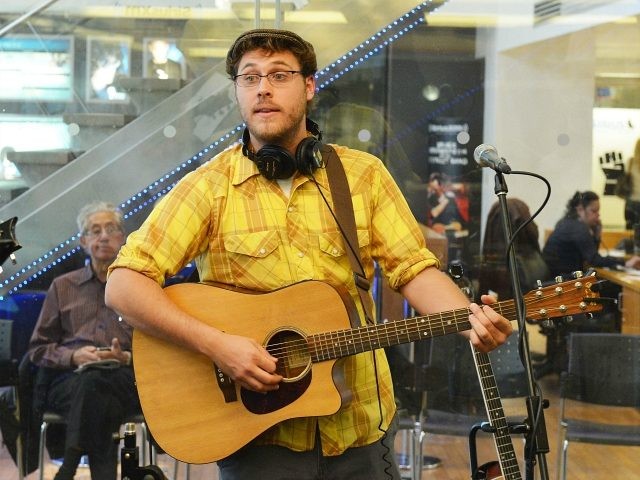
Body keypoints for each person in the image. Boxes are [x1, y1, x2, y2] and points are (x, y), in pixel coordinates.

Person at [104, 29, 512, 480]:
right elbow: (124, 284)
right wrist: (217, 346)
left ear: (310, 86)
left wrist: (467, 319)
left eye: (279, 75)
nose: (263, 88)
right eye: (249, 77)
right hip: (258, 437)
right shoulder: (208, 187)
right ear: (237, 91)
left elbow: (413, 269)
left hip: (360, 428)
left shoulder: (362, 176)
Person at [28, 202, 140, 480]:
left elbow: (160, 350)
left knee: (96, 386)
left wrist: (125, 357)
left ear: (123, 237)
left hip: (125, 375)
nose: (103, 236)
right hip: (71, 378)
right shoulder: (63, 286)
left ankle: (71, 461)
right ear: (83, 241)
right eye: (95, 230)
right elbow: (38, 349)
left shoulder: (138, 284)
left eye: (111, 229)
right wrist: (74, 357)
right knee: (93, 386)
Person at [542, 190, 640, 277]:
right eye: (594, 211)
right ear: (580, 209)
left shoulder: (566, 221)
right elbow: (594, 260)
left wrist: (596, 236)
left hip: (557, 276)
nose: (598, 215)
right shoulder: (578, 228)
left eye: (598, 211)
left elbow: (591, 256)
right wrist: (626, 262)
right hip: (562, 280)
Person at [623, 138, 640, 230]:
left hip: (631, 202)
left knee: (630, 230)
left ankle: (631, 244)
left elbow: (626, 178)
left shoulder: (630, 162)